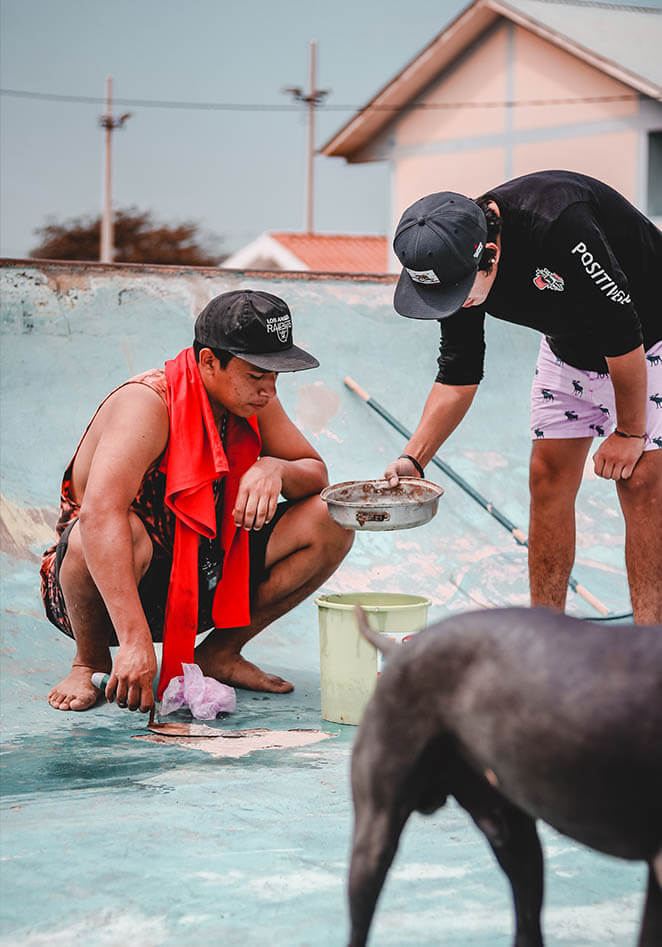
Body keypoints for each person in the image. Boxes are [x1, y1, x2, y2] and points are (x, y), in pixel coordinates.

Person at [41, 289, 354, 713]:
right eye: (256, 373)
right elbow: (99, 518)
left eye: (276, 375)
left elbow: (316, 474)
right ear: (209, 361)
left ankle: (219, 653)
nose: (268, 389)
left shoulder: (253, 399)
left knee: (333, 518)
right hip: (107, 589)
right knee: (97, 531)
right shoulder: (148, 403)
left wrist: (274, 468)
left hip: (205, 576)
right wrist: (134, 641)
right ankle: (89, 660)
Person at [386, 170, 662, 624]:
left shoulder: (559, 223)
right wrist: (413, 459)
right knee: (547, 477)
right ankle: (545, 638)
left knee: (640, 480)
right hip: (568, 348)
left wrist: (630, 431)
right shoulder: (455, 262)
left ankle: (650, 652)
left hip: (646, 340)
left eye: (457, 296)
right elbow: (458, 373)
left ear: (490, 255)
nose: (453, 306)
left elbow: (622, 329)